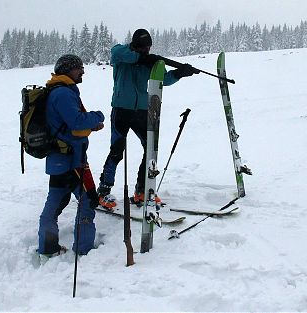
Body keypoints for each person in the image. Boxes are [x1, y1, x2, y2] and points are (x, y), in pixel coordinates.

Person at [97, 29, 197, 209]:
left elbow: (163, 80)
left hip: (143, 110)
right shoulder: (121, 54)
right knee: (117, 150)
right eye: (143, 48)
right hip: (121, 109)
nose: (146, 51)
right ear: (134, 45)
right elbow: (117, 52)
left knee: (150, 148)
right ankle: (103, 191)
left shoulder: (152, 61)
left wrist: (179, 73)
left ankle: (141, 191)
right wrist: (140, 58)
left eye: (148, 48)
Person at [38, 54, 105, 257]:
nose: (82, 71)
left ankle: (48, 248)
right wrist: (97, 117)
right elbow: (76, 122)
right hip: (71, 160)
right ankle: (83, 250)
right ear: (68, 70)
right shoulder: (63, 94)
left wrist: (89, 126)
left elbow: (71, 125)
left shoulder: (58, 90)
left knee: (55, 203)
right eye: (79, 68)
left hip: (60, 159)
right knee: (88, 201)